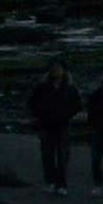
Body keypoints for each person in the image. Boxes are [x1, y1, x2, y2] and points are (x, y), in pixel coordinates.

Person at [26, 60, 77, 192]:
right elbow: (32, 103)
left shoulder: (70, 88)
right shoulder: (42, 87)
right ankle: (50, 181)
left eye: (58, 68)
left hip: (63, 125)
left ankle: (61, 184)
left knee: (62, 156)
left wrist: (68, 115)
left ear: (64, 71)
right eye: (53, 68)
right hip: (46, 125)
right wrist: (38, 116)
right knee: (47, 155)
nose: (55, 70)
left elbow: (77, 105)